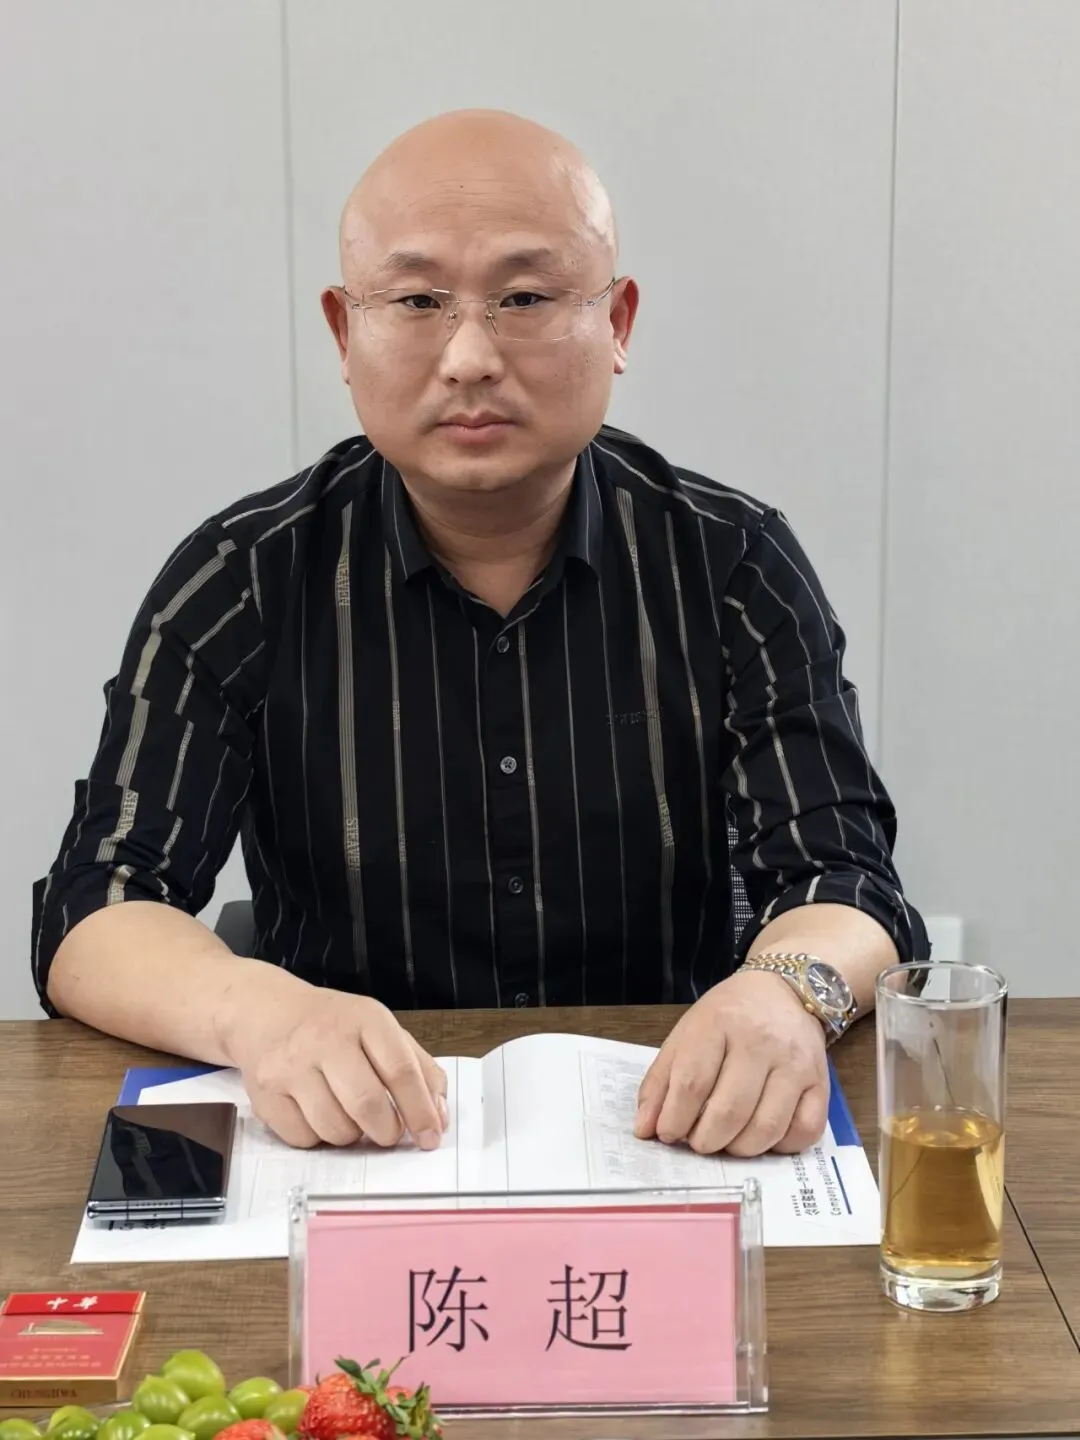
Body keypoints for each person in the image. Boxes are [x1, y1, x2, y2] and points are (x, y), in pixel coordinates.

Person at [33, 109, 928, 1159]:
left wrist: (782, 993)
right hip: (353, 1141)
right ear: (344, 333)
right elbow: (97, 908)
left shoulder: (731, 564)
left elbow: (847, 883)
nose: (468, 357)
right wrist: (258, 1012)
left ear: (618, 322)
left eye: (526, 298)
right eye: (417, 301)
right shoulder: (241, 579)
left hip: (671, 1134)